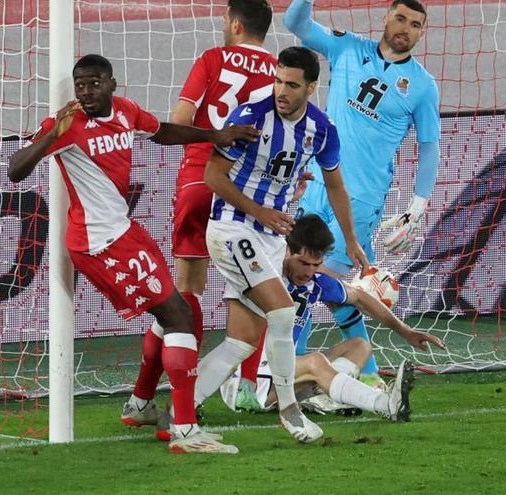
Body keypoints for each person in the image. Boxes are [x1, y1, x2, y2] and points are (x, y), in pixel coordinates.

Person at [8, 54, 258, 454]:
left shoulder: (125, 112)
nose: (86, 92)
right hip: (97, 242)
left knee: (172, 311)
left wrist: (215, 136)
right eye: (80, 85)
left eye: (94, 83)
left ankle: (140, 404)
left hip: (126, 231)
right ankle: (185, 432)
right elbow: (15, 171)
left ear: (112, 84)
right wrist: (54, 133)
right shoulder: (67, 124)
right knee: (180, 314)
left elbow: (161, 132)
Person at [190, 46, 370, 445]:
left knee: (240, 341)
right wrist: (261, 211)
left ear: (310, 86)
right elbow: (213, 177)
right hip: (231, 228)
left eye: (291, 84)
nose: (280, 91)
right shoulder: (251, 116)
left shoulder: (321, 129)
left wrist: (352, 241)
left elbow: (336, 186)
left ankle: (180, 410)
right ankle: (290, 411)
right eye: (277, 80)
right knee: (284, 311)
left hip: (269, 239)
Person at [284, 0, 441, 387]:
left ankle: (289, 376)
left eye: (415, 24)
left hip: (359, 199)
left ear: (422, 32)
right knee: (318, 285)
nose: (405, 28)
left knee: (311, 281)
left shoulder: (422, 86)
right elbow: (295, 22)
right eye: (400, 18)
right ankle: (368, 376)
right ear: (386, 17)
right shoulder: (347, 47)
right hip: (318, 184)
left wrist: (416, 209)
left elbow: (429, 146)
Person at [213, 215, 445, 419]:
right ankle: (385, 405)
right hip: (249, 384)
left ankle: (324, 397)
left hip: (282, 376)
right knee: (315, 361)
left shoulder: (315, 283)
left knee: (359, 347)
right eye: (302, 263)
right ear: (286, 251)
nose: (308, 272)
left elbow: (361, 297)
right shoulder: (264, 279)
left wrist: (406, 331)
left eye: (316, 265)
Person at [168, 0, 276, 354]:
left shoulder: (212, 59)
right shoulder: (280, 73)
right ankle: (248, 385)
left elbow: (180, 120)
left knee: (188, 288)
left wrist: (212, 136)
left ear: (236, 25)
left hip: (199, 180)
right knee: (253, 286)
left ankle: (187, 379)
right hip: (247, 192)